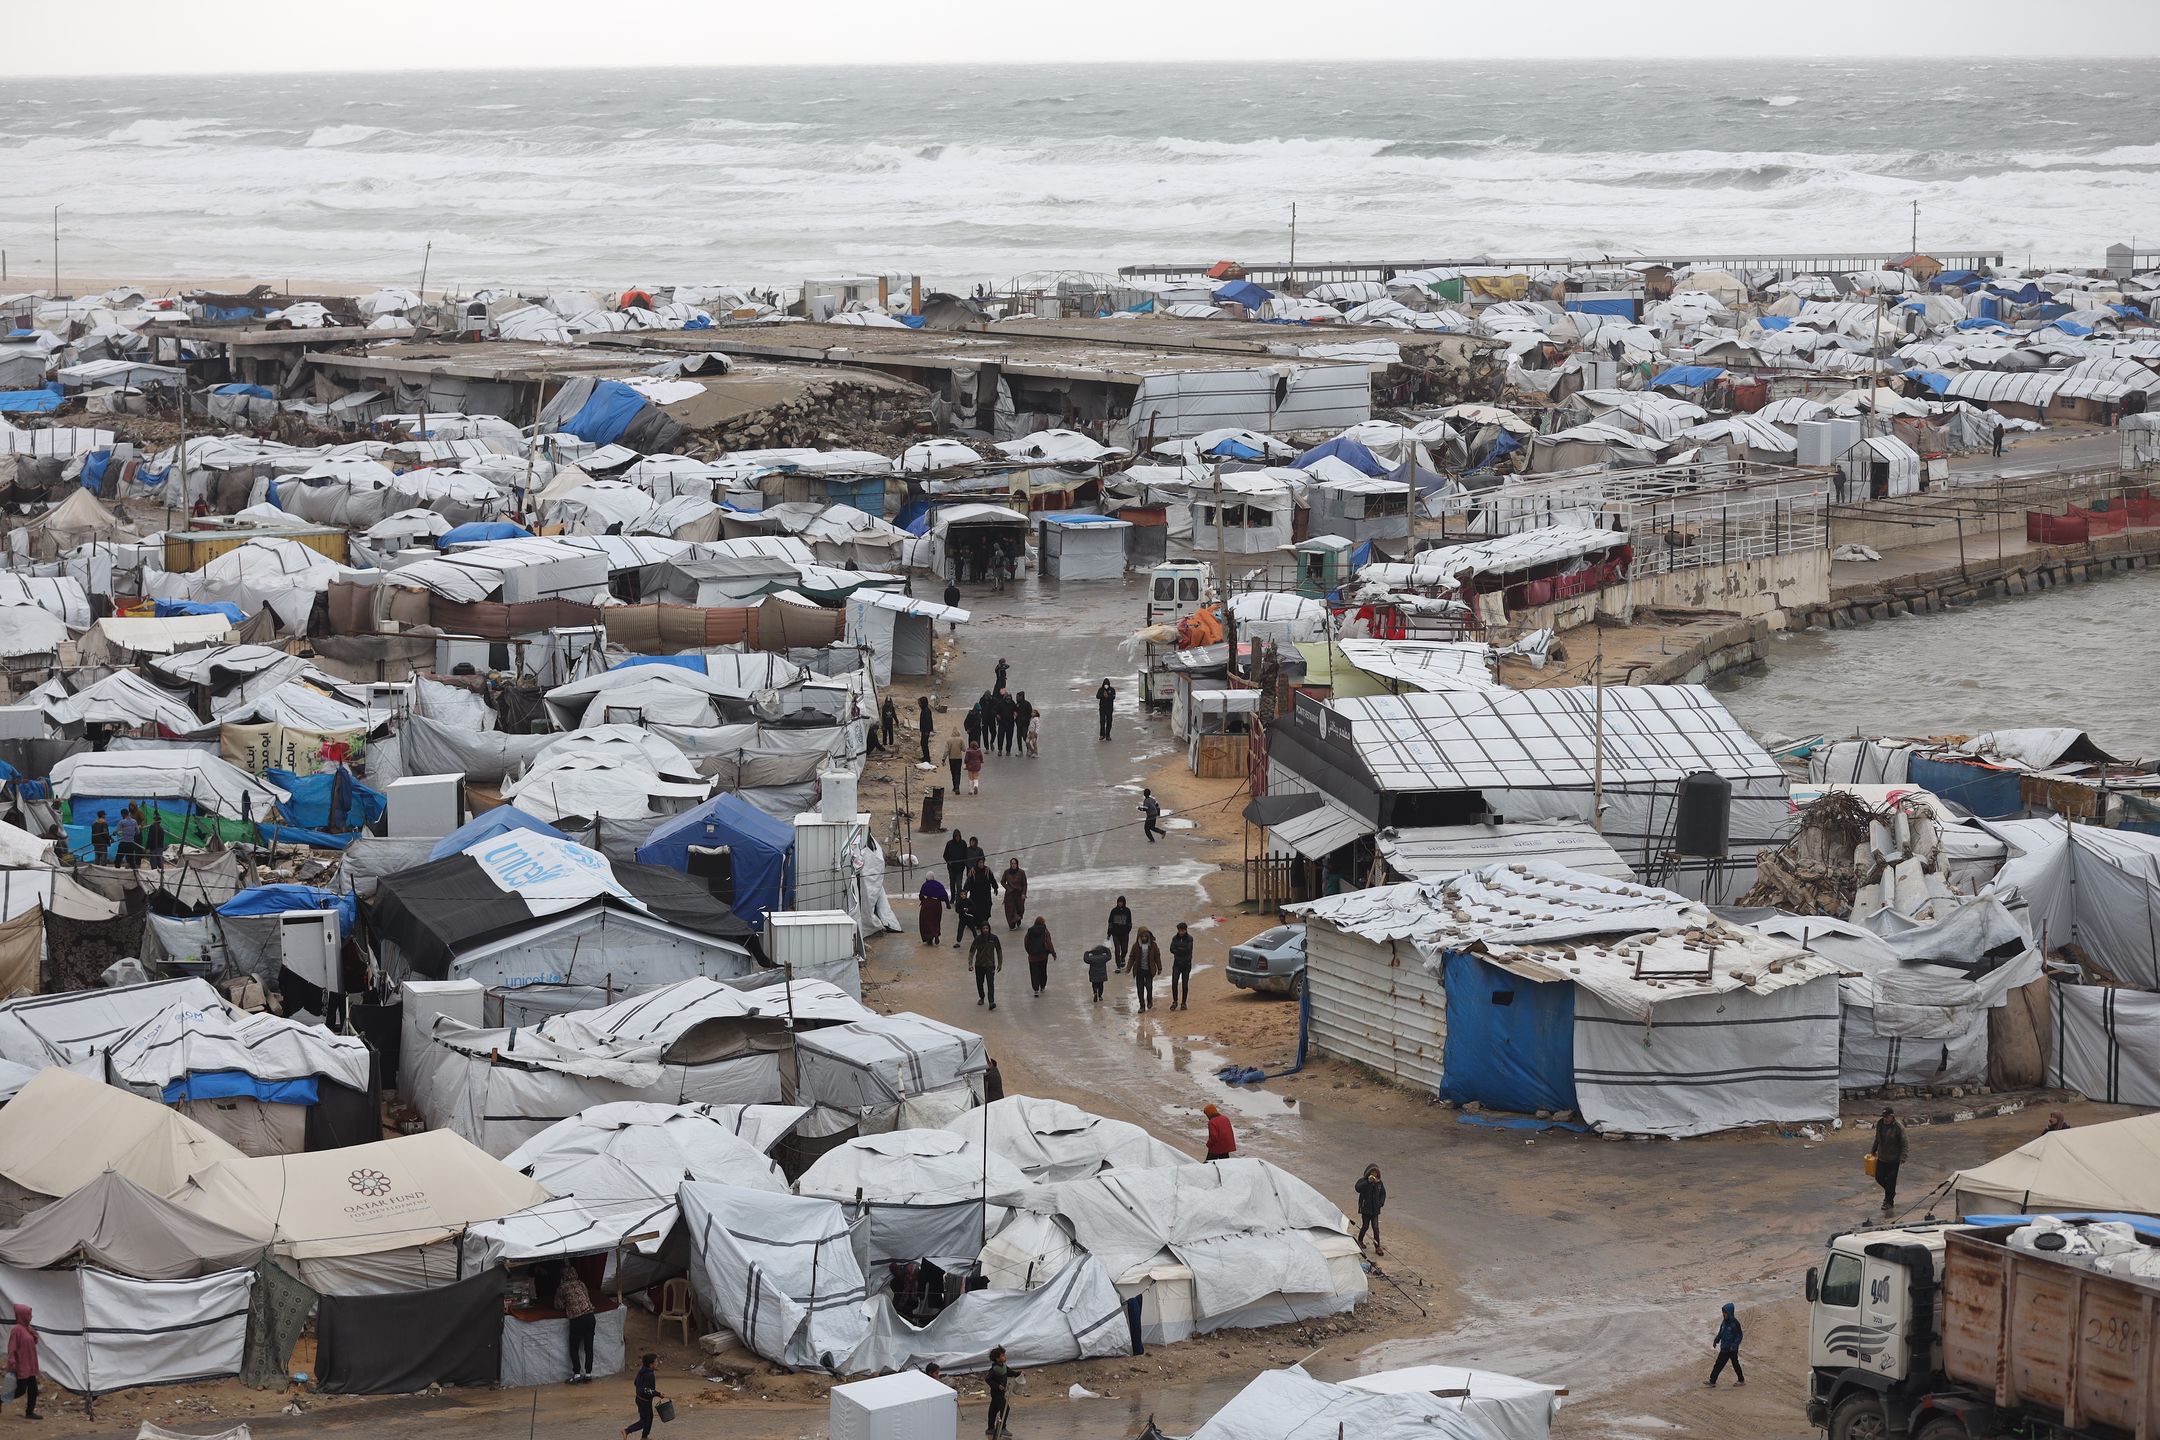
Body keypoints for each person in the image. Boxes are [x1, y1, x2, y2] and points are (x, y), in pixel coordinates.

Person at [559, 1267, 596, 1383]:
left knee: (574, 1348)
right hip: (590, 1316)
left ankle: (576, 1374)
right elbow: (587, 1297)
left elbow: (558, 1305)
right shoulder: (581, 1284)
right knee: (588, 1347)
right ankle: (588, 1373)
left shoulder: (562, 1288)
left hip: (577, 1319)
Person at [4, 1302, 38, 1420]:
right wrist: (12, 1362)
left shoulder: (26, 1328)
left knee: (33, 1389)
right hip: (21, 1365)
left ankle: (30, 1412)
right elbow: (11, 1348)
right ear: (22, 1315)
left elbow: (35, 1341)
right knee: (20, 1390)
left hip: (30, 1364)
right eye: (28, 1315)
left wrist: (31, 1331)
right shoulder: (17, 1330)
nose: (30, 1317)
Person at [1871, 1106, 1907, 1216]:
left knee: (1891, 1180)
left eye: (1887, 1117)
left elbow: (1904, 1143)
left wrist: (1903, 1157)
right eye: (1884, 1117)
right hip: (1882, 1157)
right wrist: (1873, 1149)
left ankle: (1889, 1202)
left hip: (1893, 1159)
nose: (1885, 1119)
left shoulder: (1898, 1127)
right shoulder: (1880, 1124)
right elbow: (1877, 1138)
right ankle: (1891, 1192)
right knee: (1879, 1177)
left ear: (1892, 1116)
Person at [624, 1352, 664, 1439]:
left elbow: (635, 1383)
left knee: (649, 1418)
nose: (657, 1364)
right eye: (656, 1362)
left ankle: (644, 1437)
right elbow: (646, 1390)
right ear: (651, 1364)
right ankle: (627, 1430)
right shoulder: (650, 1375)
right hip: (644, 1402)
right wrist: (658, 1394)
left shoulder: (642, 1371)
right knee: (644, 1421)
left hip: (641, 1399)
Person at [1706, 1303, 1744, 1388]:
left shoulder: (1735, 1323)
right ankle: (1712, 1381)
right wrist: (1716, 1340)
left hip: (1732, 1349)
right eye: (1723, 1312)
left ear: (1730, 1313)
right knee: (1718, 1364)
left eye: (1725, 1312)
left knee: (1735, 1364)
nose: (1724, 1314)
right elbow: (1721, 1333)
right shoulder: (1724, 1322)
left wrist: (1734, 1346)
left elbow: (1739, 1336)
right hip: (1724, 1348)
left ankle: (1741, 1380)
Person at [1354, 1164, 1387, 1256]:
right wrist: (1367, 1182)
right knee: (1365, 1226)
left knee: (1376, 1228)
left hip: (1375, 1210)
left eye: (1375, 1173)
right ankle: (1360, 1240)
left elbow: (1383, 1194)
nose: (1374, 1174)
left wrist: (1380, 1203)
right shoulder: (1363, 1181)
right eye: (1372, 1172)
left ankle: (1377, 1246)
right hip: (1365, 1209)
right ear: (1368, 1173)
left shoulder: (1379, 1183)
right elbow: (1357, 1188)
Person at [971, 926, 1003, 1010]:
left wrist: (1000, 963)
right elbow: (972, 950)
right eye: (983, 928)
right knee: (979, 983)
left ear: (989, 929)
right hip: (979, 965)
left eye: (986, 928)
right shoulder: (978, 939)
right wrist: (970, 963)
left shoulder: (994, 938)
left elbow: (999, 950)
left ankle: (991, 1002)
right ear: (981, 929)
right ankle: (982, 997)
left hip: (990, 965)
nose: (985, 930)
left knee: (990, 984)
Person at [985, 1345, 1013, 1439]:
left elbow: (1011, 1373)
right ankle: (1002, 1428)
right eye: (1002, 1355)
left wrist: (1020, 1373)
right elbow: (988, 1379)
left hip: (1000, 1394)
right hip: (997, 1393)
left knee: (993, 1410)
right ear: (997, 1359)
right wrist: (998, 1386)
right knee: (1006, 1408)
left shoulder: (1004, 1367)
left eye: (1004, 1355)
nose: (1004, 1357)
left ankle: (990, 1428)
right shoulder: (994, 1369)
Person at [1023, 916, 1056, 996]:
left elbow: (1026, 942)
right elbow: (1049, 942)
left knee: (1034, 972)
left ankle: (1036, 989)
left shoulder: (1030, 931)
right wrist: (1053, 953)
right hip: (1043, 956)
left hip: (1032, 957)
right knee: (1042, 971)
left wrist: (1029, 952)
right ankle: (1042, 986)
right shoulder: (1045, 931)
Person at [1130, 926, 1160, 1010]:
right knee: (1140, 989)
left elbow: (1157, 956)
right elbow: (1132, 957)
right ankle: (1142, 1006)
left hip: (1149, 970)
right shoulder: (1136, 946)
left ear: (1148, 936)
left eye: (1145, 936)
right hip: (1139, 970)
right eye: (1142, 936)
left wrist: (1159, 967)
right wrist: (1128, 968)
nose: (1144, 938)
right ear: (1139, 936)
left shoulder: (1153, 945)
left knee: (1149, 987)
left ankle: (1150, 1001)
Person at [1169, 921, 1195, 1010]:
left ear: (1185, 930)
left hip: (1186, 964)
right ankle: (1175, 1001)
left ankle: (1183, 1002)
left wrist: (1178, 949)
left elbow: (1188, 950)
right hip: (1177, 964)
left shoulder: (1190, 938)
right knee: (1174, 983)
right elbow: (1171, 949)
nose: (1181, 932)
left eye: (1182, 931)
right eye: (1179, 931)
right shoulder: (1174, 938)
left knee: (1185, 984)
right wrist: (1180, 950)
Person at [917, 875, 949, 945]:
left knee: (925, 922)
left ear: (926, 878)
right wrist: (948, 905)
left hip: (927, 905)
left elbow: (921, 896)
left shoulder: (925, 885)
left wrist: (922, 899)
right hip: (937, 905)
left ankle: (929, 938)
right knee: (936, 920)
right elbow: (945, 895)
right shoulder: (939, 885)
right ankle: (936, 933)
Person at [1001, 859, 1028, 931]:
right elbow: (1002, 881)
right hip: (1010, 894)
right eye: (1012, 863)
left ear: (1017, 864)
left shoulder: (1021, 872)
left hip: (1019, 894)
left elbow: (1024, 884)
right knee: (1010, 910)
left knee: (1020, 909)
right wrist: (1008, 887)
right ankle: (1011, 924)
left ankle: (1018, 919)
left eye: (1015, 863)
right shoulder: (1007, 872)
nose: (1013, 865)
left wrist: (1023, 893)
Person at [1107, 896, 1133, 970]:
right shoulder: (1113, 911)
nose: (1120, 903)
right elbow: (1110, 922)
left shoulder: (1127, 911)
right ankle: (1118, 965)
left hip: (1125, 934)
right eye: (1119, 902)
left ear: (1124, 902)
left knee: (1125, 949)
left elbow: (1130, 922)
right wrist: (1109, 933)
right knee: (1117, 950)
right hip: (1115, 934)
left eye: (1121, 902)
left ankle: (1122, 958)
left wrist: (1128, 930)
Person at [943, 829, 968, 900]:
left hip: (960, 868)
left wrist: (964, 864)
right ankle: (953, 897)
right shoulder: (949, 844)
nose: (957, 838)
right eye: (956, 837)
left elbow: (966, 855)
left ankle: (958, 898)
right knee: (952, 884)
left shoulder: (963, 843)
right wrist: (949, 861)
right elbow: (945, 855)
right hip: (951, 868)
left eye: (958, 837)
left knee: (959, 884)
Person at [917, 696, 936, 763]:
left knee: (924, 744)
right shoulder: (925, 709)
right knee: (923, 743)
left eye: (920, 703)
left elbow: (928, 722)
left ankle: (927, 758)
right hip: (924, 731)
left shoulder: (926, 711)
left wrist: (927, 731)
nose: (919, 705)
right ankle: (925, 757)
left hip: (925, 731)